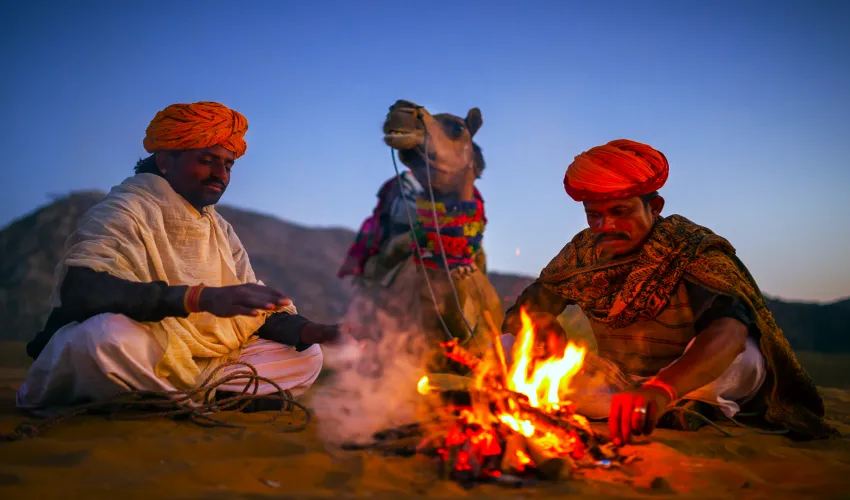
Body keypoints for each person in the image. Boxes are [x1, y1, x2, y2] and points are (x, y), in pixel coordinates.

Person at [500, 139, 834, 444]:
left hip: (692, 380)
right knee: (505, 347)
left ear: (655, 206)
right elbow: (526, 308)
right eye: (594, 215)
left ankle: (674, 405)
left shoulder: (691, 249)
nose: (606, 227)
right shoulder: (581, 254)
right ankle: (633, 407)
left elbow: (729, 331)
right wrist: (540, 324)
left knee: (743, 358)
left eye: (620, 211)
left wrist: (662, 389)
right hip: (620, 380)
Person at [17, 101, 342, 415]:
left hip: (208, 357)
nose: (221, 174)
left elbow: (253, 312)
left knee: (306, 356)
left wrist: (312, 331)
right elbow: (81, 289)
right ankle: (200, 397)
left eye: (227, 165)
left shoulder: (219, 229)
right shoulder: (126, 209)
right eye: (208, 160)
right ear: (164, 162)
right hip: (145, 349)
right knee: (103, 338)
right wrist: (196, 298)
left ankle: (189, 396)